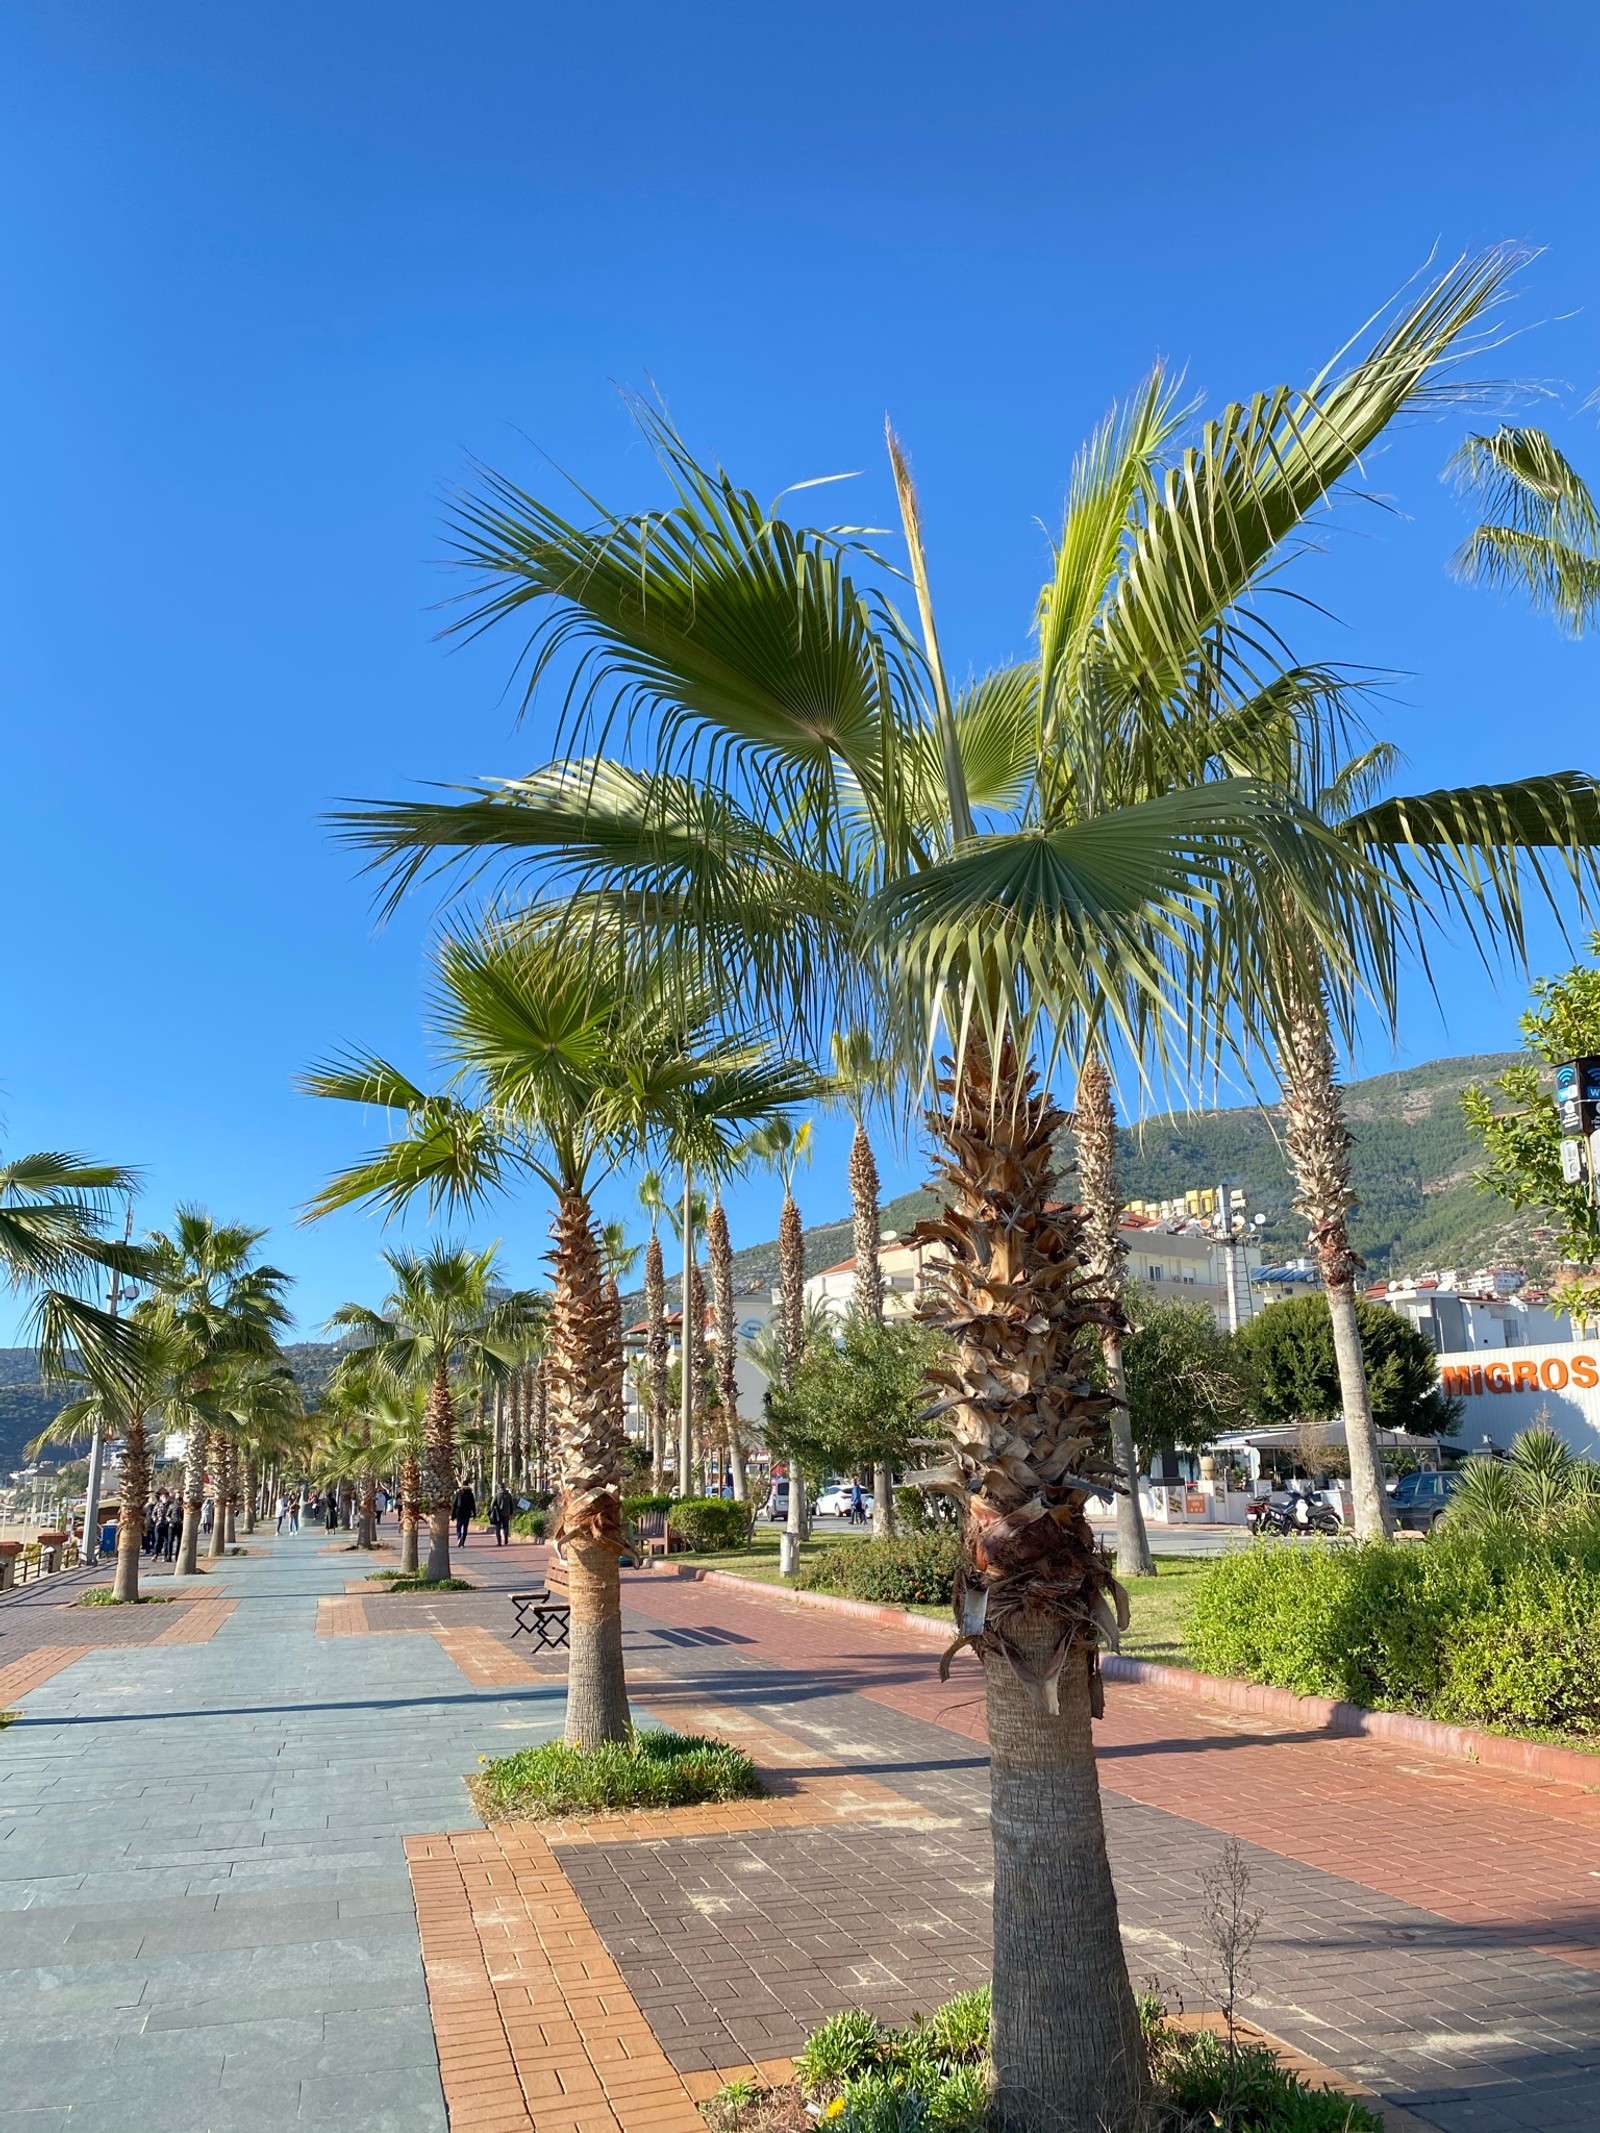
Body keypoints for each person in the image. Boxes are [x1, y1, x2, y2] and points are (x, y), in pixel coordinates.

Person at [452, 1480, 476, 1547]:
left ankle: (459, 1537)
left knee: (458, 1527)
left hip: (459, 1513)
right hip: (467, 1513)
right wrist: (474, 1513)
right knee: (465, 1528)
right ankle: (463, 1542)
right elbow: (473, 1505)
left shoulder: (459, 1493)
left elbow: (454, 1504)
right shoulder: (470, 1494)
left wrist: (453, 1515)